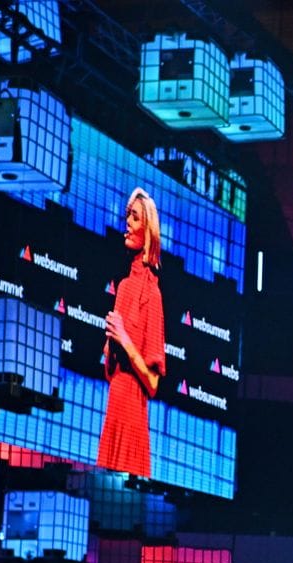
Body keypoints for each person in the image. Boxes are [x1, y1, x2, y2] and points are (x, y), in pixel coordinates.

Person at [97, 187, 166, 478]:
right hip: (114, 401)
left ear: (147, 229)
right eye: (128, 216)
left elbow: (152, 384)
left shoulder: (152, 292)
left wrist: (124, 339)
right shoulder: (124, 287)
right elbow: (110, 368)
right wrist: (109, 350)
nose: (127, 222)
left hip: (133, 409)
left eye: (134, 218)